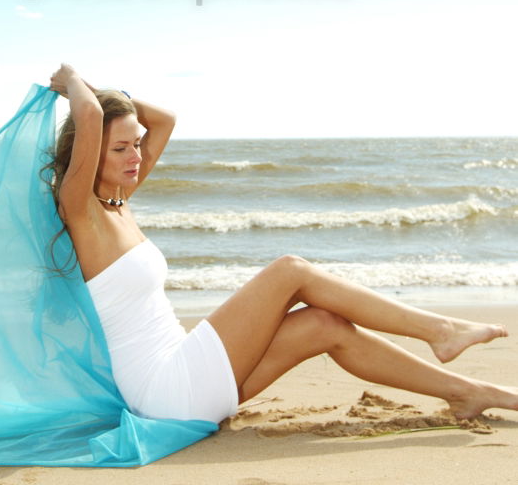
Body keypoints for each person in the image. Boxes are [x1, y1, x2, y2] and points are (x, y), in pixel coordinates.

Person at [47, 62, 518, 426]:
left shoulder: (118, 199)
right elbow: (88, 115)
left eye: (135, 144)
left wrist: (115, 99)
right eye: (120, 148)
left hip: (185, 370)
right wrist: (74, 80)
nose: (135, 156)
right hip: (166, 390)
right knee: (291, 270)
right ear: (88, 154)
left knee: (324, 324)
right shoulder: (81, 209)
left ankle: (466, 391)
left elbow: (164, 121)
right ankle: (439, 331)